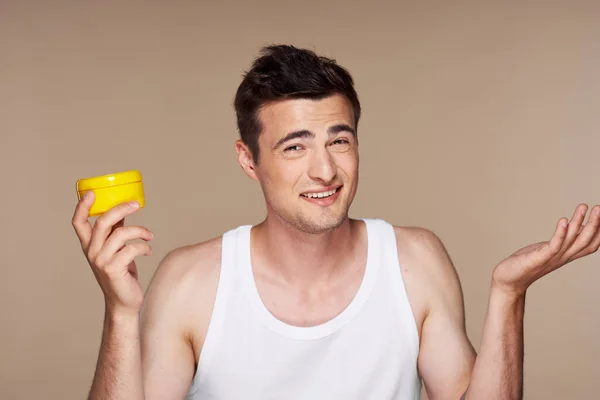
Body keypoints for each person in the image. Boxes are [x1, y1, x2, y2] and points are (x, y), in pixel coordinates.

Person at [72, 44, 600, 400]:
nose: (324, 170)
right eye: (295, 146)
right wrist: (120, 313)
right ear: (248, 160)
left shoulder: (414, 261)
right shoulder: (191, 281)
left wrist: (509, 294)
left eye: (339, 141)